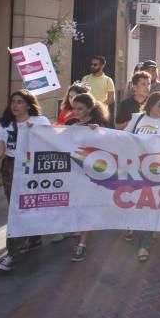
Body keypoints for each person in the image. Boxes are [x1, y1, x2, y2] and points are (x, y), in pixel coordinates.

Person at [0, 91, 50, 272]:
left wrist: (38, 133)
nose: (15, 106)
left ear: (29, 105)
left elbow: (54, 143)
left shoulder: (41, 122)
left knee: (27, 206)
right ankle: (28, 239)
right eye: (13, 102)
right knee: (15, 207)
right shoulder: (4, 125)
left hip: (31, 166)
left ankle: (14, 252)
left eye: (20, 102)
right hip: (10, 167)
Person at [126, 92, 160, 262]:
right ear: (151, 104)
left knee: (150, 205)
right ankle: (142, 228)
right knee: (137, 203)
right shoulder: (138, 119)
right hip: (135, 167)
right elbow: (123, 137)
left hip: (155, 169)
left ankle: (144, 245)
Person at [66, 93, 110, 262]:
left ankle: (82, 244)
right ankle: (80, 235)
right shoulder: (70, 124)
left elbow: (111, 145)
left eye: (80, 109)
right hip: (73, 172)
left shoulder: (99, 125)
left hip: (91, 174)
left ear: (89, 109)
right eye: (74, 108)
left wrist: (98, 133)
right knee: (77, 206)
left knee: (86, 208)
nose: (76, 112)